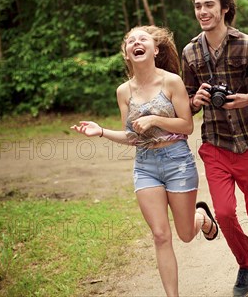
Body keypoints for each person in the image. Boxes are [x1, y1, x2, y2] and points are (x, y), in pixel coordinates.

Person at [71, 25, 219, 297]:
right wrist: (101, 131)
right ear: (127, 54)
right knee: (161, 236)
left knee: (185, 234)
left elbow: (187, 126)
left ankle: (202, 217)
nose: (135, 43)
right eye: (130, 41)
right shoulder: (123, 91)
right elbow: (133, 136)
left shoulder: (171, 81)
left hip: (177, 161)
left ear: (155, 50)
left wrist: (155, 119)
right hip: (145, 166)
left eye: (142, 39)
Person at [181, 0, 248, 297]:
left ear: (224, 8)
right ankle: (247, 263)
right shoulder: (190, 51)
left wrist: (247, 98)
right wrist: (194, 100)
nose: (202, 11)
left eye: (209, 4)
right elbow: (184, 103)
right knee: (224, 212)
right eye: (198, 5)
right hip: (215, 144)